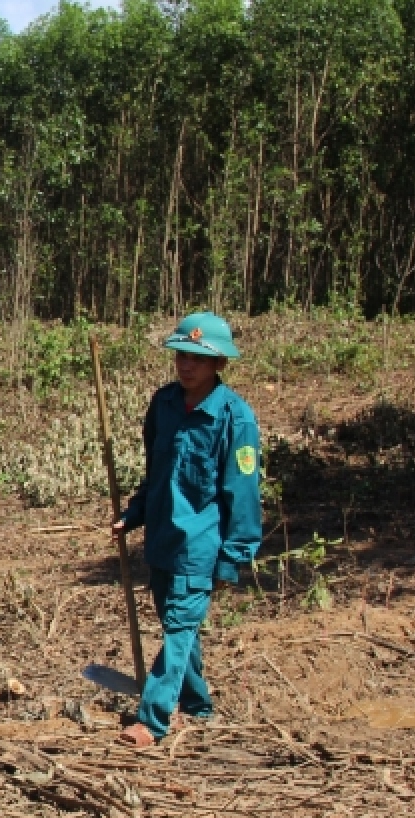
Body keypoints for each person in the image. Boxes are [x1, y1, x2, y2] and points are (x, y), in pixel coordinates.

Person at [112, 312, 262, 747]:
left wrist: (233, 557)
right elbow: (155, 472)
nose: (186, 365)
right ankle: (198, 706)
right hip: (161, 540)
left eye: (198, 358)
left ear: (219, 365)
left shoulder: (236, 418)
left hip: (201, 545)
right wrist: (134, 513)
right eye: (181, 355)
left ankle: (153, 721)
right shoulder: (163, 405)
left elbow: (244, 494)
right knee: (180, 626)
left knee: (178, 628)